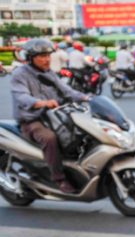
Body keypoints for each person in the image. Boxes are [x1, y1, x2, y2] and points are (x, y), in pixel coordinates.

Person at [10, 39, 90, 193]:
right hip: (32, 120)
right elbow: (21, 96)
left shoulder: (49, 73)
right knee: (49, 138)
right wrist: (41, 103)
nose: (47, 59)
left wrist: (86, 98)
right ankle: (59, 179)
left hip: (53, 116)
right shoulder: (19, 75)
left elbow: (66, 90)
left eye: (48, 55)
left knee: (81, 130)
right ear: (30, 58)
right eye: (42, 56)